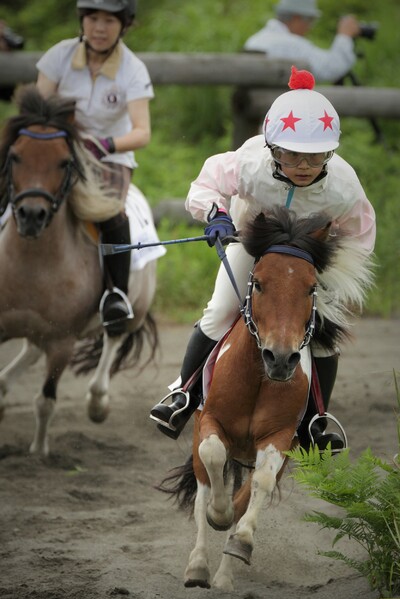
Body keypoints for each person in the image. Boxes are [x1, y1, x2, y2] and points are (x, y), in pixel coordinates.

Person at [150, 66, 376, 450]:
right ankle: (183, 394)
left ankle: (317, 421)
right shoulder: (249, 162)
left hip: (310, 260)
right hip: (252, 247)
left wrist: (330, 270)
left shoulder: (343, 185)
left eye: (315, 156)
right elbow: (205, 187)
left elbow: (360, 235)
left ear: (330, 151)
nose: (304, 166)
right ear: (273, 147)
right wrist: (217, 216)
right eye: (292, 155)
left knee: (322, 336)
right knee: (221, 309)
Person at [36, 0, 154, 337]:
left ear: (123, 25)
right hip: (58, 148)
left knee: (110, 211)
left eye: (108, 21)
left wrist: (104, 145)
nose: (99, 28)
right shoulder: (58, 56)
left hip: (109, 158)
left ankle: (115, 294)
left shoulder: (133, 69)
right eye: (92, 19)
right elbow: (37, 109)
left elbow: (142, 132)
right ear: (82, 21)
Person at [243, 0, 361, 83]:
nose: (310, 27)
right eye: (310, 20)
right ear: (297, 18)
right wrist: (344, 36)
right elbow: (331, 67)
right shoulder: (292, 44)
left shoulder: (254, 40)